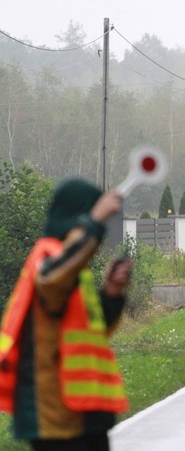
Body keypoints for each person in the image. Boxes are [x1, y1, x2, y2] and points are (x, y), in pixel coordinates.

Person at [0, 178, 131, 450]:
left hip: (84, 413)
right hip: (56, 418)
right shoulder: (47, 260)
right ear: (77, 217)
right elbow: (51, 281)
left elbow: (96, 330)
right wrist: (94, 222)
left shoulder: (73, 270)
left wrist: (112, 292)